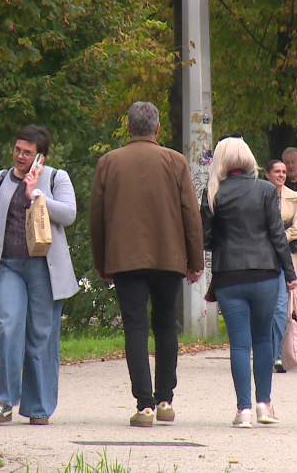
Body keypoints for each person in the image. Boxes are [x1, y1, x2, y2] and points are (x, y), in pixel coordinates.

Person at [89, 102, 204, 428]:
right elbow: (190, 213)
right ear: (157, 129)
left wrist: (102, 261)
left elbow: (96, 217)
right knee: (166, 324)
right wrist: (195, 260)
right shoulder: (175, 161)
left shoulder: (108, 162)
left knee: (135, 327)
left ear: (128, 127)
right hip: (169, 257)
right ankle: (165, 400)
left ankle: (145, 405)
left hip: (125, 259)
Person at [0, 125, 79, 425]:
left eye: (28, 152)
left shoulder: (56, 178)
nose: (20, 156)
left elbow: (68, 214)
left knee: (41, 336)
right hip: (8, 266)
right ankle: (2, 400)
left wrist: (36, 193)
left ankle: (38, 407)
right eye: (17, 150)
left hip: (44, 270)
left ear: (40, 157)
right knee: (6, 326)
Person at [202, 135, 297, 428]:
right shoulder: (266, 190)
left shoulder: (213, 193)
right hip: (265, 274)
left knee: (240, 344)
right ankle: (264, 405)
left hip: (229, 275)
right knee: (263, 340)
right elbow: (277, 235)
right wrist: (290, 275)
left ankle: (243, 410)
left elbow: (204, 238)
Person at [264, 159, 297, 373]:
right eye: (277, 172)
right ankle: (267, 351)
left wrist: (277, 237)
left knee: (281, 305)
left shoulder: (295, 197)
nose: (281, 175)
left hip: (285, 257)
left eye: (283, 172)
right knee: (266, 306)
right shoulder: (260, 195)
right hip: (263, 257)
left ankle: (280, 354)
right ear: (267, 174)